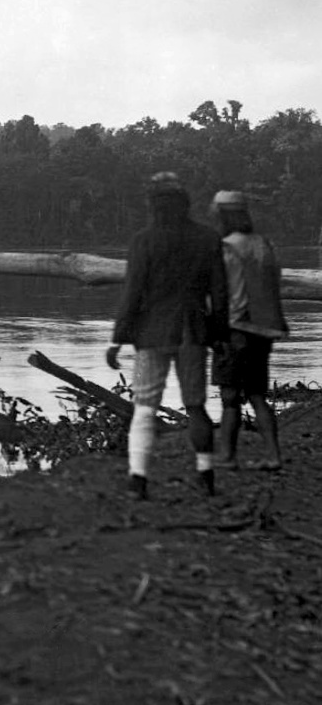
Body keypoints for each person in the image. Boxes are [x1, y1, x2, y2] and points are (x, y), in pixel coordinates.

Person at [106, 172, 228, 500]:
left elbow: (132, 292)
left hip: (151, 333)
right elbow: (219, 294)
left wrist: (118, 336)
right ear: (184, 203)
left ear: (153, 205)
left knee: (145, 406)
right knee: (196, 406)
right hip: (193, 331)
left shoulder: (143, 241)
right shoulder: (207, 239)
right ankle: (205, 474)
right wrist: (220, 336)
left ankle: (138, 479)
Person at [209, 190, 287, 471]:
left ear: (223, 215)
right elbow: (273, 282)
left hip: (235, 329)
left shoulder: (225, 247)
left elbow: (218, 294)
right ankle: (273, 455)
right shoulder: (264, 245)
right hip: (263, 332)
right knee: (256, 395)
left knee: (230, 398)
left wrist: (212, 333)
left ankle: (227, 456)